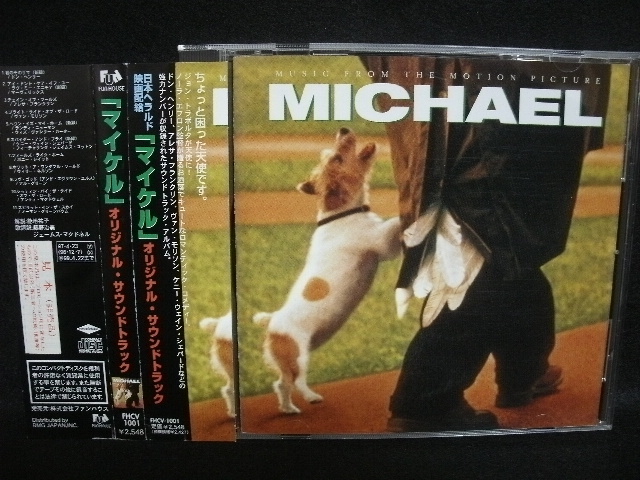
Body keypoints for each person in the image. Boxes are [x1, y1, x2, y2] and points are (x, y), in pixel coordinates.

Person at [360, 55, 611, 431]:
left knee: (506, 242)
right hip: (481, 84)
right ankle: (426, 400)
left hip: (451, 82)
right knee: (482, 240)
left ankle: (524, 369)